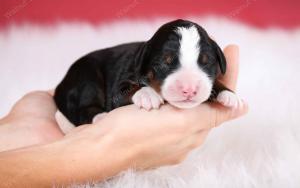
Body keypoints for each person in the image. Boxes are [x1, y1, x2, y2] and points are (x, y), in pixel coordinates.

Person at [0, 45, 248, 187]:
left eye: (204, 64)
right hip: (89, 75)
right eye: (169, 65)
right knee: (90, 90)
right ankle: (90, 113)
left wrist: (220, 90)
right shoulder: (136, 69)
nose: (188, 88)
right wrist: (101, 149)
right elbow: (123, 89)